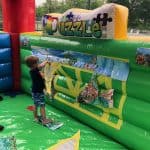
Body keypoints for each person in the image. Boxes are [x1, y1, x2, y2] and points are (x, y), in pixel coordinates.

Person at [25, 55, 52, 124]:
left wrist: (45, 62)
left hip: (35, 90)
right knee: (42, 105)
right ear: (34, 65)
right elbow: (40, 68)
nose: (38, 64)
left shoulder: (32, 70)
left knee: (35, 104)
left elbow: (40, 68)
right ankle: (44, 120)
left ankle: (35, 117)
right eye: (37, 62)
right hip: (38, 91)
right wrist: (46, 62)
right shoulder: (34, 70)